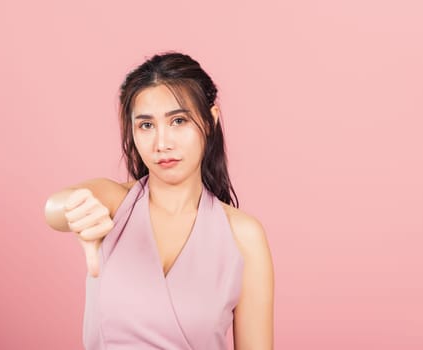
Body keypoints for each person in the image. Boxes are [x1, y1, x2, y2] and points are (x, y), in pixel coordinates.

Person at [44, 52, 274, 349]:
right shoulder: (116, 205)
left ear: (210, 120)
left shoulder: (244, 236)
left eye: (178, 120)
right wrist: (75, 210)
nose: (162, 143)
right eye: (146, 125)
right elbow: (58, 206)